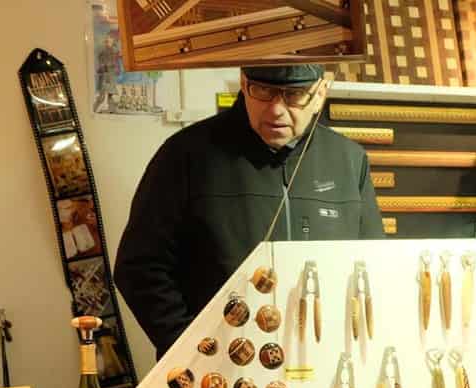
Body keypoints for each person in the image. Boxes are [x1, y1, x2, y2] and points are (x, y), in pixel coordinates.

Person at [116, 63, 385, 357]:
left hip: (320, 360)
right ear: (244, 85)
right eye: (264, 91)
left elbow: (370, 264)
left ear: (320, 93)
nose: (276, 110)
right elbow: (140, 267)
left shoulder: (349, 159)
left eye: (294, 95)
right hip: (220, 372)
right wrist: (193, 349)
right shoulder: (185, 154)